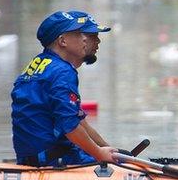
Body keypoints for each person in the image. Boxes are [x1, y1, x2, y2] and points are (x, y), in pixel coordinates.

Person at [11, 10, 115, 166]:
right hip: (53, 161)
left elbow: (79, 122)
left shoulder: (39, 65)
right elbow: (70, 126)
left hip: (36, 157)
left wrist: (107, 149)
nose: (90, 40)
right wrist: (99, 154)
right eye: (82, 34)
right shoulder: (62, 72)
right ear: (63, 41)